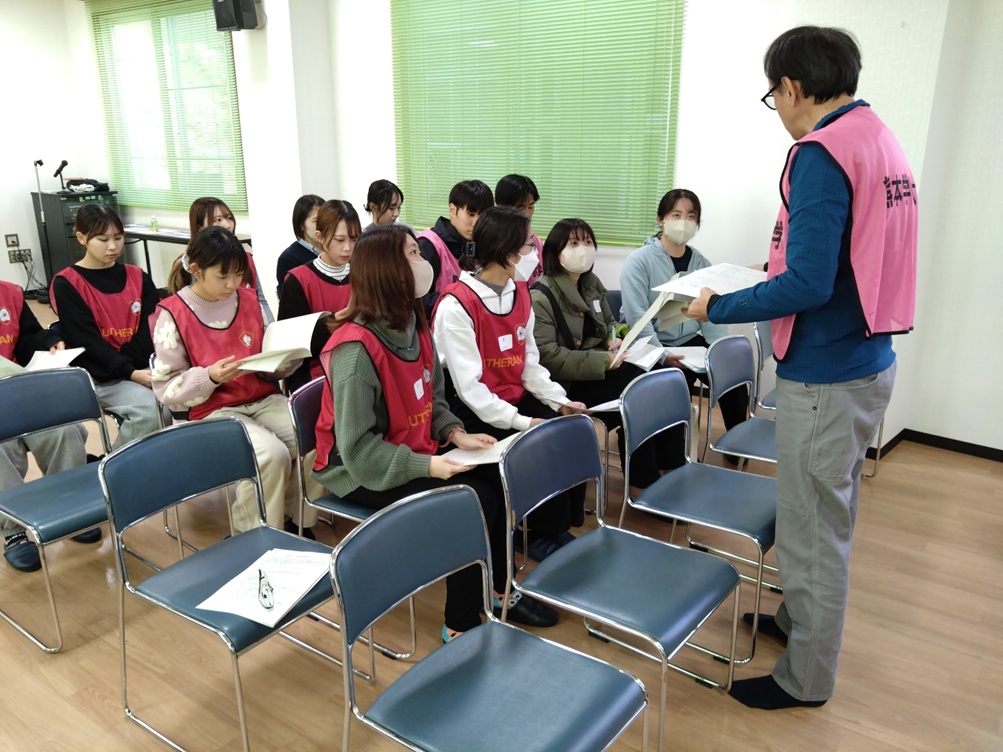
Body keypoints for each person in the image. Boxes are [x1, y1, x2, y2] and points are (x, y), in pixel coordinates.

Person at [683, 26, 916, 710]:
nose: (778, 109)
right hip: (867, 360)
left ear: (790, 87)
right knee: (826, 514)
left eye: (773, 95)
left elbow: (810, 283)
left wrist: (720, 305)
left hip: (826, 372)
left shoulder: (818, 152)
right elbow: (843, 256)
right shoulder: (876, 137)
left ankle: (804, 679)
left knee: (813, 532)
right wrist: (773, 270)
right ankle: (795, 622)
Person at [313, 224, 559, 640]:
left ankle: (499, 589)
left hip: (410, 447)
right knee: (469, 501)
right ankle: (460, 623)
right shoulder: (355, 351)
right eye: (411, 254)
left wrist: (455, 433)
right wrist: (428, 466)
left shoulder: (413, 321)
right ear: (386, 270)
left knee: (496, 480)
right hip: (357, 471)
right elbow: (358, 451)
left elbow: (433, 396)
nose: (423, 261)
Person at [432, 206, 587, 561]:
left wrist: (559, 401)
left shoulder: (520, 293)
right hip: (471, 410)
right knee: (536, 446)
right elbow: (470, 389)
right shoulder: (457, 305)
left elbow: (529, 364)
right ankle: (531, 535)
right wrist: (524, 422)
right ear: (506, 253)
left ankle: (554, 528)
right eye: (528, 245)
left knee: (566, 432)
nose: (535, 251)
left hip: (511, 397)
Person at [152, 227, 315, 536]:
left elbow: (267, 358)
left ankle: (296, 519)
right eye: (222, 276)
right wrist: (210, 377)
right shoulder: (173, 313)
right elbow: (166, 388)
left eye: (239, 275)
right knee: (272, 455)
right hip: (212, 411)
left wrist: (284, 360)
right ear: (196, 270)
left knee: (316, 433)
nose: (232, 284)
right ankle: (251, 533)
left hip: (261, 397)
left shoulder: (249, 300)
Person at [531, 218, 673, 496]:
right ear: (555, 252)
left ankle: (671, 467)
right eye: (573, 243)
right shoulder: (541, 296)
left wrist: (615, 337)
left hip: (602, 367)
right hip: (568, 382)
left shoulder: (591, 284)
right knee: (639, 394)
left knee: (658, 381)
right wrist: (604, 361)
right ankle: (641, 482)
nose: (583, 249)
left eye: (587, 242)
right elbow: (549, 357)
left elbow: (610, 323)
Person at [620, 188, 749, 463]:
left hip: (688, 341)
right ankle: (671, 459)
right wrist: (662, 354)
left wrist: (721, 351)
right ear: (660, 220)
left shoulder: (702, 263)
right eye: (676, 215)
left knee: (731, 374)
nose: (683, 222)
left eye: (691, 216)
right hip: (650, 344)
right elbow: (637, 318)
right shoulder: (639, 261)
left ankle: (738, 446)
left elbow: (712, 316)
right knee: (675, 381)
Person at [0, 281, 96, 571]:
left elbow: (27, 337)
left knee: (64, 430)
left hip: (20, 392)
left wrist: (47, 341)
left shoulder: (9, 292)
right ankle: (14, 531)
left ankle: (70, 510)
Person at [50, 203, 160, 449]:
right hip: (103, 376)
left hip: (143, 366)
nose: (113, 246)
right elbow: (86, 341)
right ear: (82, 238)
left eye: (118, 238)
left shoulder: (138, 276)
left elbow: (152, 328)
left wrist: (132, 367)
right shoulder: (67, 283)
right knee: (151, 410)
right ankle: (116, 466)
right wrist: (129, 372)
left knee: (184, 401)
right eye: (103, 239)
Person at [277, 199, 360, 393]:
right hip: (317, 379)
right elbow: (292, 346)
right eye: (339, 240)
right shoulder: (298, 280)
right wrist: (339, 318)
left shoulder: (363, 274)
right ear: (320, 236)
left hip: (361, 368)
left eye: (354, 239)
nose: (348, 248)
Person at [185, 197, 274, 323]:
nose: (227, 225)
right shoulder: (191, 264)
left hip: (247, 326)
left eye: (229, 218)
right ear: (200, 227)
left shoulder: (245, 258)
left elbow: (261, 300)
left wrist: (270, 328)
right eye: (218, 220)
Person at [416, 179, 495, 315]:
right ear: (452, 210)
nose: (476, 223)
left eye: (482, 216)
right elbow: (420, 302)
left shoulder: (482, 242)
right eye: (471, 214)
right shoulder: (429, 244)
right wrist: (464, 298)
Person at [495, 174, 543, 284]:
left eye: (531, 207)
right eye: (520, 208)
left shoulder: (536, 243)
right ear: (501, 207)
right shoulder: (492, 244)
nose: (527, 214)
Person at [275, 194, 324, 297]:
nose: (323, 225)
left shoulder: (336, 250)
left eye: (325, 219)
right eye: (316, 221)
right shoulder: (289, 259)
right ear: (301, 225)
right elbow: (288, 300)